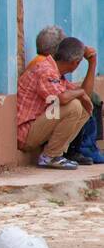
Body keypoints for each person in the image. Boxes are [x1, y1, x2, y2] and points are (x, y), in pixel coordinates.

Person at [23, 24, 103, 165]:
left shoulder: (56, 70)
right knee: (74, 106)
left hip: (38, 128)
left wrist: (92, 64)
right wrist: (81, 93)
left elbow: (86, 94)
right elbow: (63, 98)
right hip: (27, 134)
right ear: (74, 63)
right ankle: (51, 156)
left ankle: (58, 153)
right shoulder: (46, 69)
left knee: (83, 106)